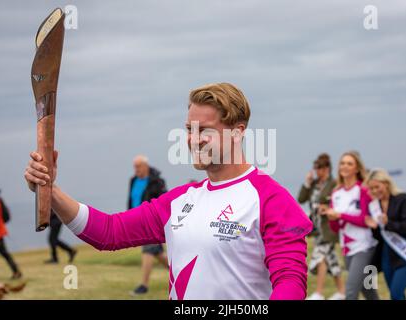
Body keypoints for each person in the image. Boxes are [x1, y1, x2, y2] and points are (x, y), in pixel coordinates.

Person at [24, 82, 313, 300]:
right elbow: (109, 232)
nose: (193, 140)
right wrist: (52, 190)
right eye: (189, 129)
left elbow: (290, 282)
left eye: (205, 131)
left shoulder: (271, 199)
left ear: (238, 132)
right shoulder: (181, 200)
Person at [320, 151, 379, 300]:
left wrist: (340, 215)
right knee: (369, 291)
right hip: (347, 249)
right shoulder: (336, 193)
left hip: (364, 247)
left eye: (349, 163)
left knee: (351, 293)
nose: (345, 166)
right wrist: (331, 217)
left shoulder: (363, 190)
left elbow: (365, 221)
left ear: (357, 169)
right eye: (342, 163)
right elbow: (335, 228)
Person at [365, 169, 406, 300]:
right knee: (398, 295)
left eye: (377, 187)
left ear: (386, 183)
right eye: (371, 188)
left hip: (405, 254)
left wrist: (388, 223)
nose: (374, 191)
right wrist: (374, 228)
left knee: (395, 294)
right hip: (387, 256)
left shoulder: (402, 198)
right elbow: (379, 237)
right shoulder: (374, 205)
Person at [297, 153, 344, 300]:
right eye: (316, 168)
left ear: (327, 168)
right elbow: (301, 199)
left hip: (328, 229)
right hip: (316, 228)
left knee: (320, 258)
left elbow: (339, 204)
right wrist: (307, 183)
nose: (318, 171)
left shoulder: (334, 184)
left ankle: (318, 293)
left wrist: (327, 207)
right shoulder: (314, 184)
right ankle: (342, 292)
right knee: (331, 260)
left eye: (320, 168)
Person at [128, 155, 169, 296]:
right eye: (134, 166)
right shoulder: (133, 180)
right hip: (136, 221)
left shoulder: (157, 181)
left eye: (138, 166)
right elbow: (131, 200)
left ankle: (143, 285)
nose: (136, 169)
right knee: (158, 254)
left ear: (145, 166)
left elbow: (164, 201)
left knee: (148, 250)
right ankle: (178, 272)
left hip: (151, 222)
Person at [0, 188, 22, 280]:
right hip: (0, 231)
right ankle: (16, 271)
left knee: (4, 253)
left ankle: (16, 271)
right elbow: (6, 217)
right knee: (5, 253)